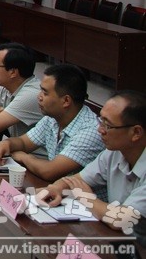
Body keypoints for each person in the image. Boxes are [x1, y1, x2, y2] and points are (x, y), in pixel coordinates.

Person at [36, 91, 146, 246]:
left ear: (136, 132)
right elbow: (76, 180)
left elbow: (122, 219)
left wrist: (87, 198)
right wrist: (55, 188)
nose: (100, 130)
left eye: (107, 125)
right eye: (100, 120)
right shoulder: (114, 153)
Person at [0, 64, 103, 181]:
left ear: (66, 101)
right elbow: (24, 142)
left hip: (78, 192)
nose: (39, 97)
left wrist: (24, 157)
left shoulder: (91, 131)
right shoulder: (53, 118)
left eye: (45, 93)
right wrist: (6, 144)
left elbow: (49, 171)